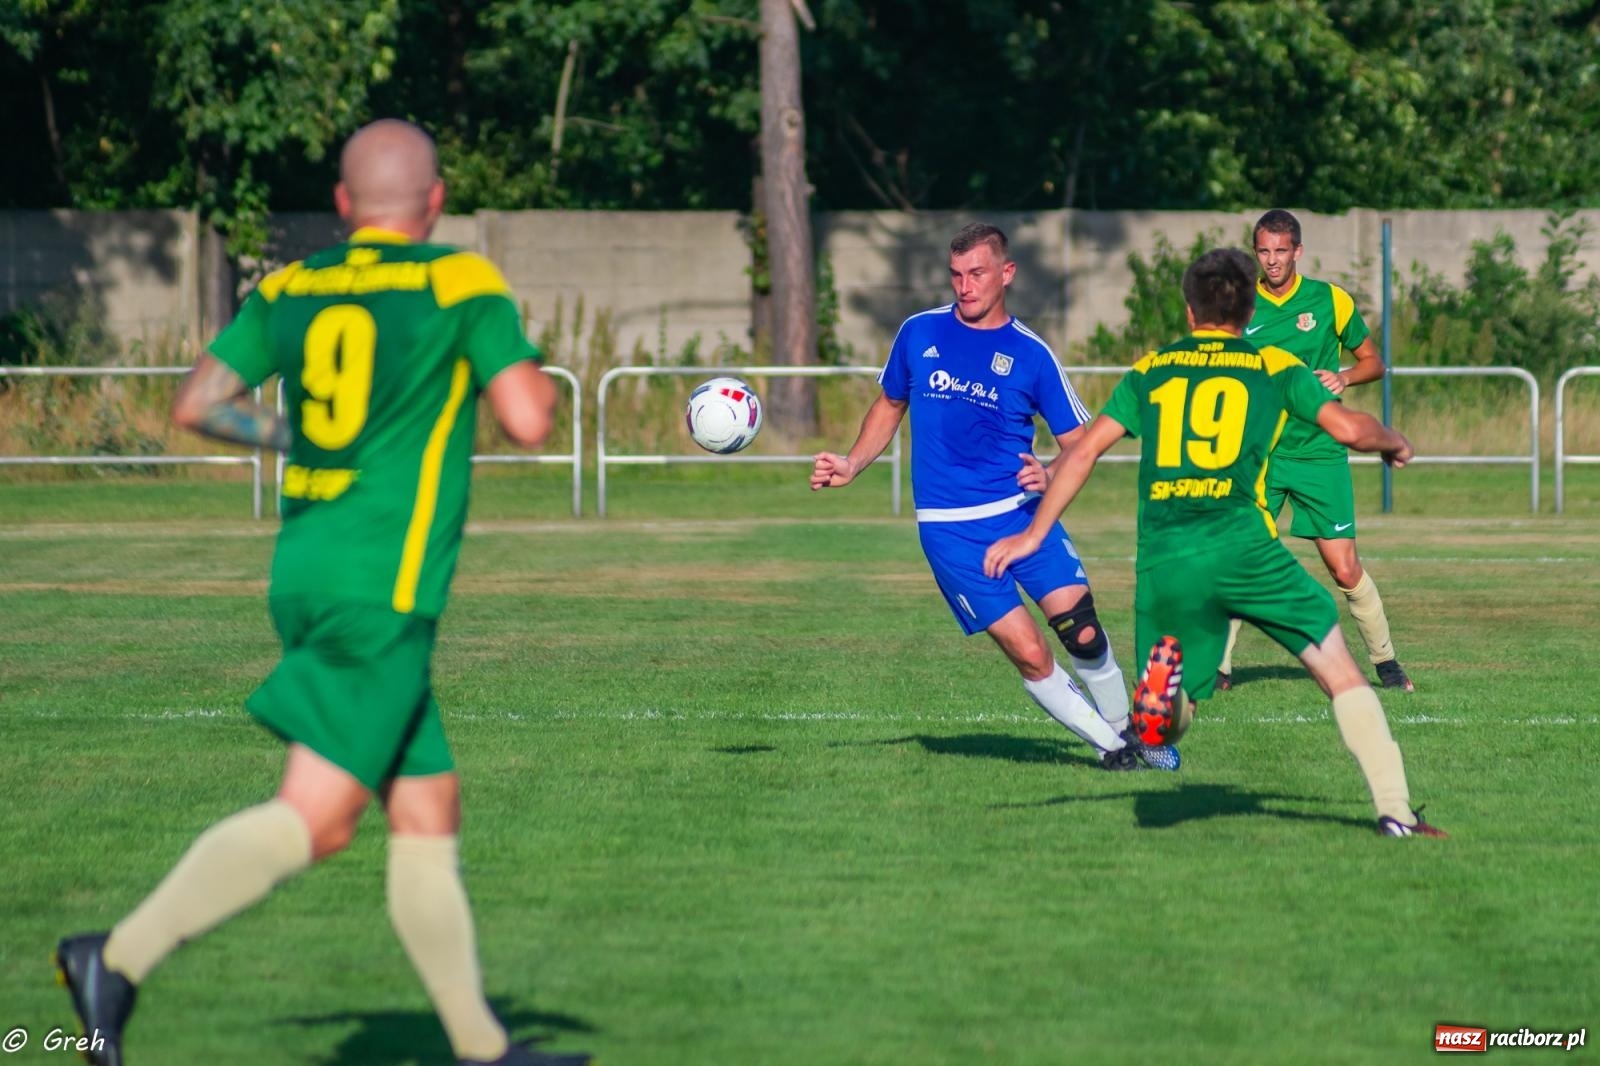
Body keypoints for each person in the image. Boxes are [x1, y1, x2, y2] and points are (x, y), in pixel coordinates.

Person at [54, 120, 590, 1066]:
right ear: (435, 203)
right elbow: (530, 419)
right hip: (383, 585)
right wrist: (509, 355)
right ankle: (116, 958)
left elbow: (196, 403)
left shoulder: (292, 284)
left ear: (342, 205)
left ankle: (482, 1048)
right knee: (319, 818)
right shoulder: (458, 280)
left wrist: (296, 442)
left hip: (305, 570)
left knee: (427, 806)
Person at [983, 248, 1445, 837]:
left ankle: (1162, 704)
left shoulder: (1153, 369)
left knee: (1167, 727)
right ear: (1249, 306)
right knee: (1340, 672)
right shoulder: (1274, 365)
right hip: (1244, 547)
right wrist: (1394, 441)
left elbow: (1085, 451)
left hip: (1167, 557)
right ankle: (1396, 812)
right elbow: (1351, 429)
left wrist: (1033, 533)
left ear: (1188, 308)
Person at [810, 222, 1176, 771]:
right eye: (956, 275)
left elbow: (1080, 444)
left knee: (1083, 630)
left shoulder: (1031, 355)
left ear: (1006, 273)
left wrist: (1050, 473)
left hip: (1024, 517)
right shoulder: (918, 333)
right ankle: (1113, 747)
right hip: (951, 529)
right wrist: (853, 462)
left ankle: (1129, 729)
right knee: (1030, 653)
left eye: (977, 273)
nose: (965, 286)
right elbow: (889, 405)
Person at [1216, 209, 1413, 693]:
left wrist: (1343, 376)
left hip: (1321, 453)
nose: (1272, 260)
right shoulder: (1242, 305)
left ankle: (1387, 665)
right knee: (1244, 556)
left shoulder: (1330, 301)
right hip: (1262, 456)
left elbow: (1374, 362)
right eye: (1263, 251)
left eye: (1281, 251)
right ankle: (1216, 669)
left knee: (1344, 568)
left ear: (1298, 252)